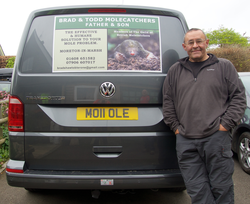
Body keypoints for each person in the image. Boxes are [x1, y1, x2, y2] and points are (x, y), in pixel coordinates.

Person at [162, 28, 246, 204]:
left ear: (206, 43)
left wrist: (225, 125)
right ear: (184, 46)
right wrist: (176, 128)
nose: (195, 46)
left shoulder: (224, 66)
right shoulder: (175, 70)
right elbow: (168, 102)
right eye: (191, 43)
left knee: (221, 187)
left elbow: (238, 97)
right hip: (186, 140)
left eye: (199, 41)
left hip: (216, 138)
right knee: (196, 189)